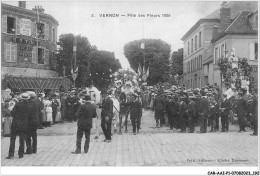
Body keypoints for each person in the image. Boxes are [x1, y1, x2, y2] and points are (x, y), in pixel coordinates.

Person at [6, 92, 30, 159]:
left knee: (13, 140)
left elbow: (12, 113)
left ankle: (11, 154)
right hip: (24, 124)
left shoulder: (18, 104)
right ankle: (21, 154)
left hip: (15, 124)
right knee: (22, 140)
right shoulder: (29, 105)